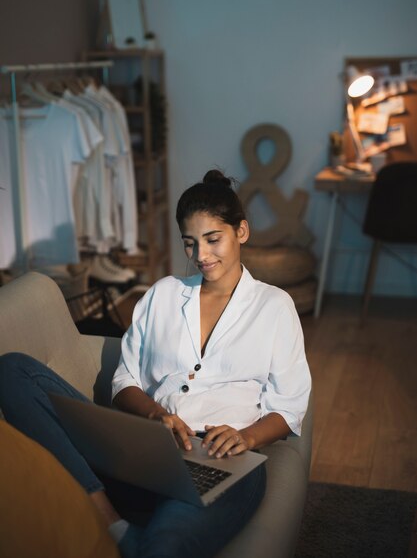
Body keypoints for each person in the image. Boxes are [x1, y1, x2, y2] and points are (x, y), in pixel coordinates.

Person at [0, 169, 311, 558]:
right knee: (14, 371)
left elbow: (289, 407)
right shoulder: (163, 294)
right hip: (143, 451)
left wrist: (246, 438)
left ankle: (132, 539)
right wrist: (153, 416)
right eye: (190, 244)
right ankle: (108, 517)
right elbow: (124, 380)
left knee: (165, 547)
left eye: (213, 240)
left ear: (241, 232)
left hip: (222, 462)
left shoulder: (274, 307)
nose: (201, 255)